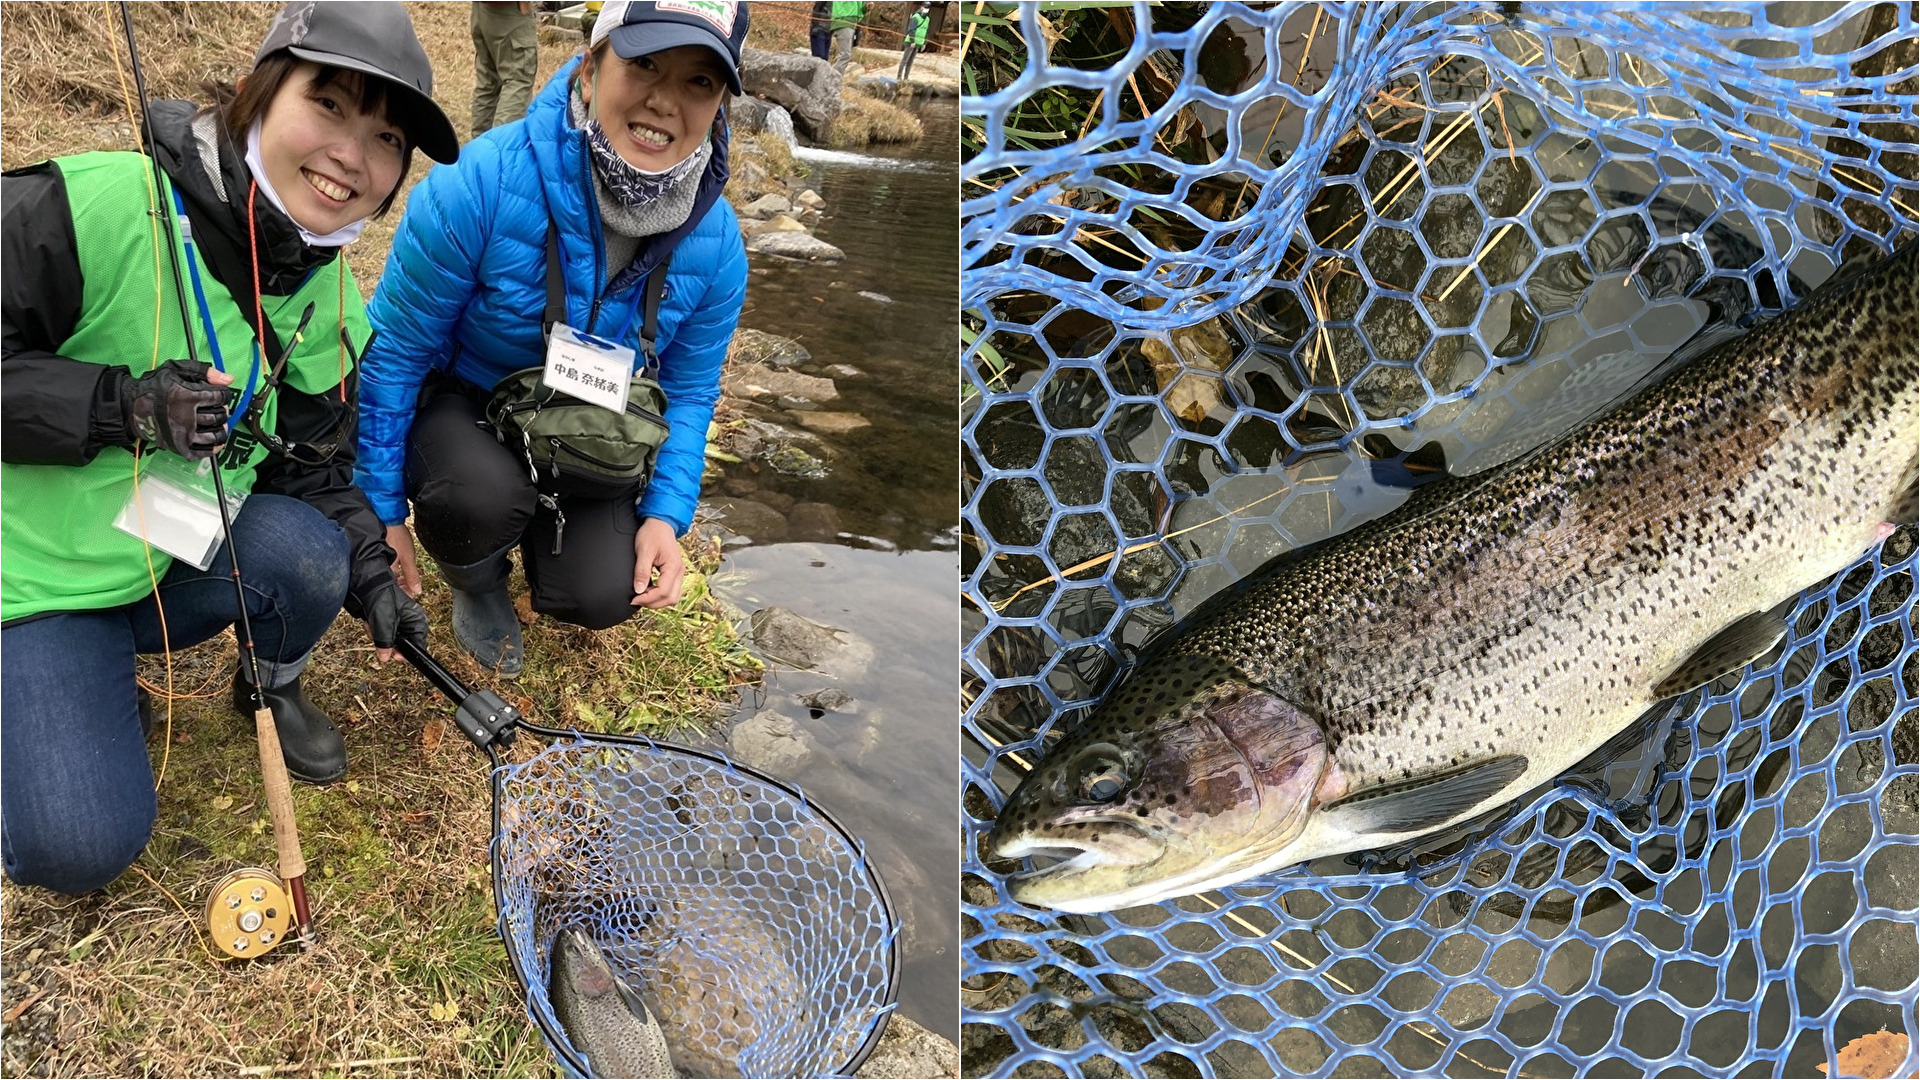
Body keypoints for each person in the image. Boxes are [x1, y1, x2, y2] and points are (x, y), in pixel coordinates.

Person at [0, 0, 458, 896]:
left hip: (153, 557)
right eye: (327, 105)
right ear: (254, 93)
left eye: (386, 138)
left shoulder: (328, 294)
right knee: (77, 847)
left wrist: (373, 577)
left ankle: (261, 684)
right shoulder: (88, 204)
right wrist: (119, 404)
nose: (350, 157)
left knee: (311, 555)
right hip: (29, 580)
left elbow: (315, 469)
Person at [355, 0, 750, 679]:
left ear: (720, 107)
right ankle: (476, 579)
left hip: (592, 422)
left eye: (699, 83)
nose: (664, 101)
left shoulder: (718, 248)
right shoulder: (477, 182)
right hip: (469, 410)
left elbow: (688, 391)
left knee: (601, 594)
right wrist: (382, 512)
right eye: (645, 64)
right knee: (472, 497)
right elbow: (392, 354)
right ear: (591, 68)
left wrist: (665, 516)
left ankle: (547, 546)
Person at [471, 1, 539, 135]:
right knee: (518, 81)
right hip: (508, 14)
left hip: (482, 11)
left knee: (488, 82)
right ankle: (500, 149)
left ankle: (479, 148)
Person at [829, 1, 865, 73]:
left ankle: (833, 78)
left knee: (844, 55)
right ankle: (832, 78)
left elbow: (861, 8)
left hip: (851, 25)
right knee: (845, 55)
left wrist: (867, 7)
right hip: (843, 23)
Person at [897, 3, 930, 82]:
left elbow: (926, 31)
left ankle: (906, 78)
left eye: (928, 7)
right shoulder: (915, 17)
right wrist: (912, 41)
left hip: (919, 43)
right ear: (921, 7)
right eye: (925, 7)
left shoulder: (927, 19)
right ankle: (899, 77)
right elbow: (911, 30)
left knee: (910, 62)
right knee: (905, 60)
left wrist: (924, 43)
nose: (926, 9)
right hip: (911, 42)